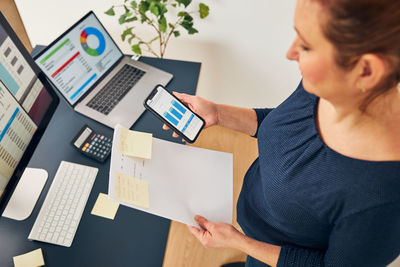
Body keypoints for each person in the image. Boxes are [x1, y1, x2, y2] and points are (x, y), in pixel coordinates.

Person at [163, 0, 400, 266]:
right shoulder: (328, 87)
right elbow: (286, 126)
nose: (290, 53)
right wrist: (218, 113)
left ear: (366, 70)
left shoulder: (385, 196)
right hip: (255, 232)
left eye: (307, 45)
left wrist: (238, 242)